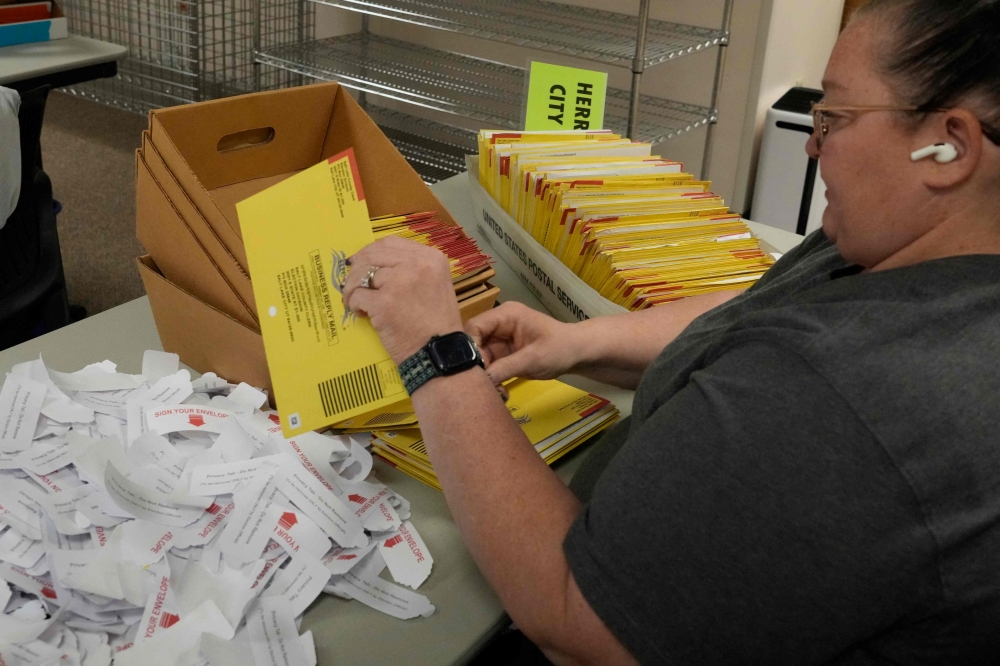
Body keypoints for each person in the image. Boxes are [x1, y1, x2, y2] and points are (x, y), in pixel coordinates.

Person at [341, 0, 1000, 662]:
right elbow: (767, 303)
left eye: (835, 116)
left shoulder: (855, 401)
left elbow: (578, 619)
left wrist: (433, 352)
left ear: (949, 147)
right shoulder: (923, 248)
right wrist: (583, 342)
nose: (812, 142)